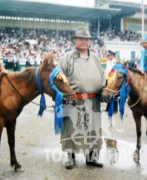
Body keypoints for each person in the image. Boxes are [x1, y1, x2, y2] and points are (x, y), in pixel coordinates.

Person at [59, 27, 104, 170]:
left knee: (92, 130)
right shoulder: (66, 58)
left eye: (87, 39)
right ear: (75, 40)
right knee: (72, 129)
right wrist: (64, 97)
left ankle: (91, 158)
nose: (84, 42)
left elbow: (102, 76)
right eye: (81, 39)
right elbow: (60, 79)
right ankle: (70, 158)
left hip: (93, 101)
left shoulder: (95, 57)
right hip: (74, 100)